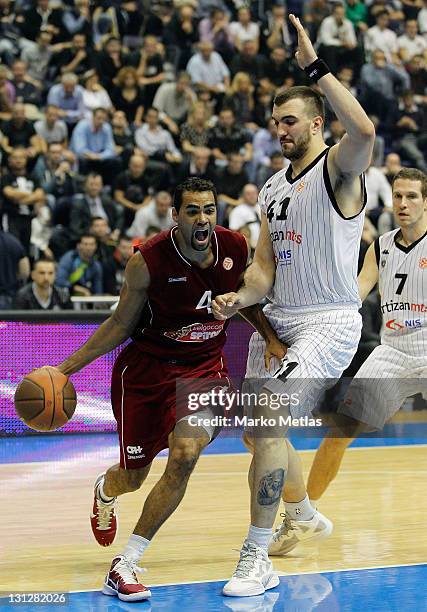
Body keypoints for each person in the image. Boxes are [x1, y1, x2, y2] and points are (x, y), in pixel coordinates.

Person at [212, 14, 375, 597]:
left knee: (272, 422)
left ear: (315, 122)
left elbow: (365, 131)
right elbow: (263, 267)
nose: (279, 127)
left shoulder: (338, 168)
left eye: (290, 119)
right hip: (278, 321)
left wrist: (315, 67)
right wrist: (240, 297)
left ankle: (256, 557)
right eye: (274, 120)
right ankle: (303, 511)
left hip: (327, 323)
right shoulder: (273, 189)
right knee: (258, 436)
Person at [50, 177, 271, 602]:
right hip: (147, 372)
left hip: (206, 369)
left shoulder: (236, 246)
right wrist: (65, 369)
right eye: (192, 211)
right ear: (175, 216)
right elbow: (119, 324)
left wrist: (272, 337)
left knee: (185, 453)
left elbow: (248, 299)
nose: (203, 218)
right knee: (132, 478)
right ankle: (105, 491)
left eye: (209, 209)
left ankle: (126, 562)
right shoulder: (147, 261)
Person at [303, 167, 427, 506]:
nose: (403, 203)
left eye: (412, 196)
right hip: (393, 351)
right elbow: (356, 292)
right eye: (398, 196)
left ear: (425, 202)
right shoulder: (381, 246)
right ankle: (301, 517)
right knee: (339, 432)